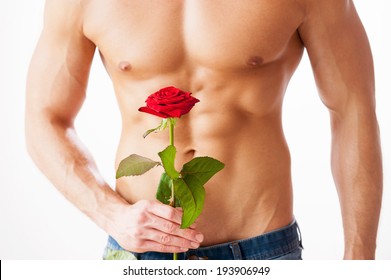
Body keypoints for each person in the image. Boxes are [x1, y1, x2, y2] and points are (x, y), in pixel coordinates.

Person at [25, 0, 383, 260]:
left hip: (262, 251)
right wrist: (111, 215)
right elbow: (45, 117)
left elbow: (353, 110)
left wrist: (359, 258)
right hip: (139, 254)